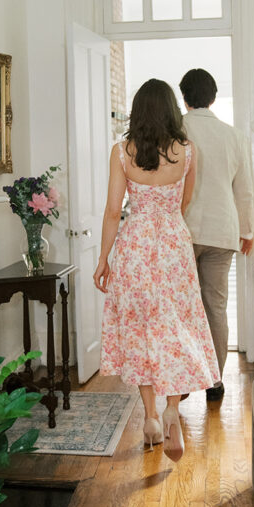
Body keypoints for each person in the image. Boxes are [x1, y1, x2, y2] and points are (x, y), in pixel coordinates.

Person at [93, 79, 220, 463]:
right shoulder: (186, 152)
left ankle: (149, 417)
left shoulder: (123, 151)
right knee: (176, 326)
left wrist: (104, 258)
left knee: (141, 330)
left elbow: (114, 210)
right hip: (173, 246)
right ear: (169, 109)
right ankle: (171, 409)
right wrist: (165, 226)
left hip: (134, 246)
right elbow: (185, 201)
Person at [179, 68, 254, 401]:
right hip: (223, 230)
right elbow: (245, 190)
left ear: (184, 96)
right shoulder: (234, 136)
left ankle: (180, 384)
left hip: (181, 230)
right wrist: (247, 229)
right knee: (216, 308)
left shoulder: (175, 130)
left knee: (178, 306)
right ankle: (215, 380)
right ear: (212, 97)